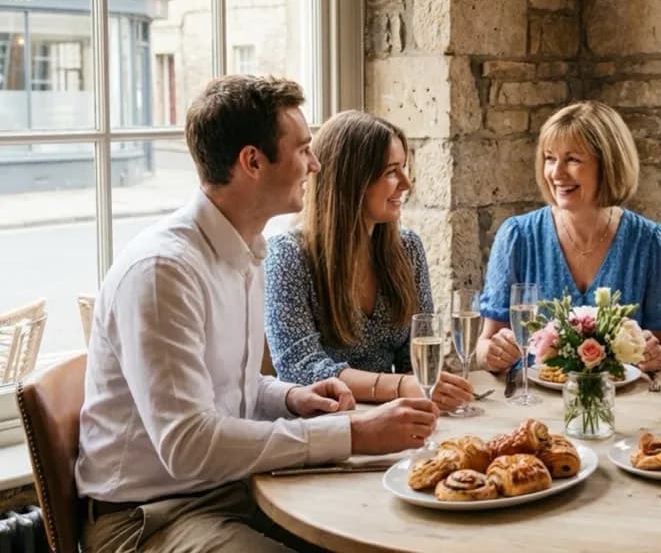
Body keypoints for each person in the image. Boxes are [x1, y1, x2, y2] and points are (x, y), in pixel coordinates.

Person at [76, 76, 440, 553]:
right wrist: (349, 433)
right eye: (304, 149)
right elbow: (189, 445)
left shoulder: (245, 252)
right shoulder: (164, 272)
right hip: (150, 519)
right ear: (252, 162)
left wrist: (290, 398)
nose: (315, 164)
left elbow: (227, 388)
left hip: (235, 489)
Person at [264, 110, 473, 411]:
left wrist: (430, 387)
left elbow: (415, 359)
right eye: (391, 172)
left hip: (396, 415)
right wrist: (401, 387)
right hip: (327, 427)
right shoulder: (288, 255)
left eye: (404, 168)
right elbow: (301, 367)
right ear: (351, 181)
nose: (406, 183)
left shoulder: (408, 248)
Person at [477, 100, 661, 373]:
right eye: (550, 158)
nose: (556, 173)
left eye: (572, 159)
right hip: (532, 404)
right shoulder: (518, 236)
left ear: (608, 165)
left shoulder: (650, 241)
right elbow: (485, 345)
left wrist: (656, 356)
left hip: (622, 407)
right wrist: (492, 353)